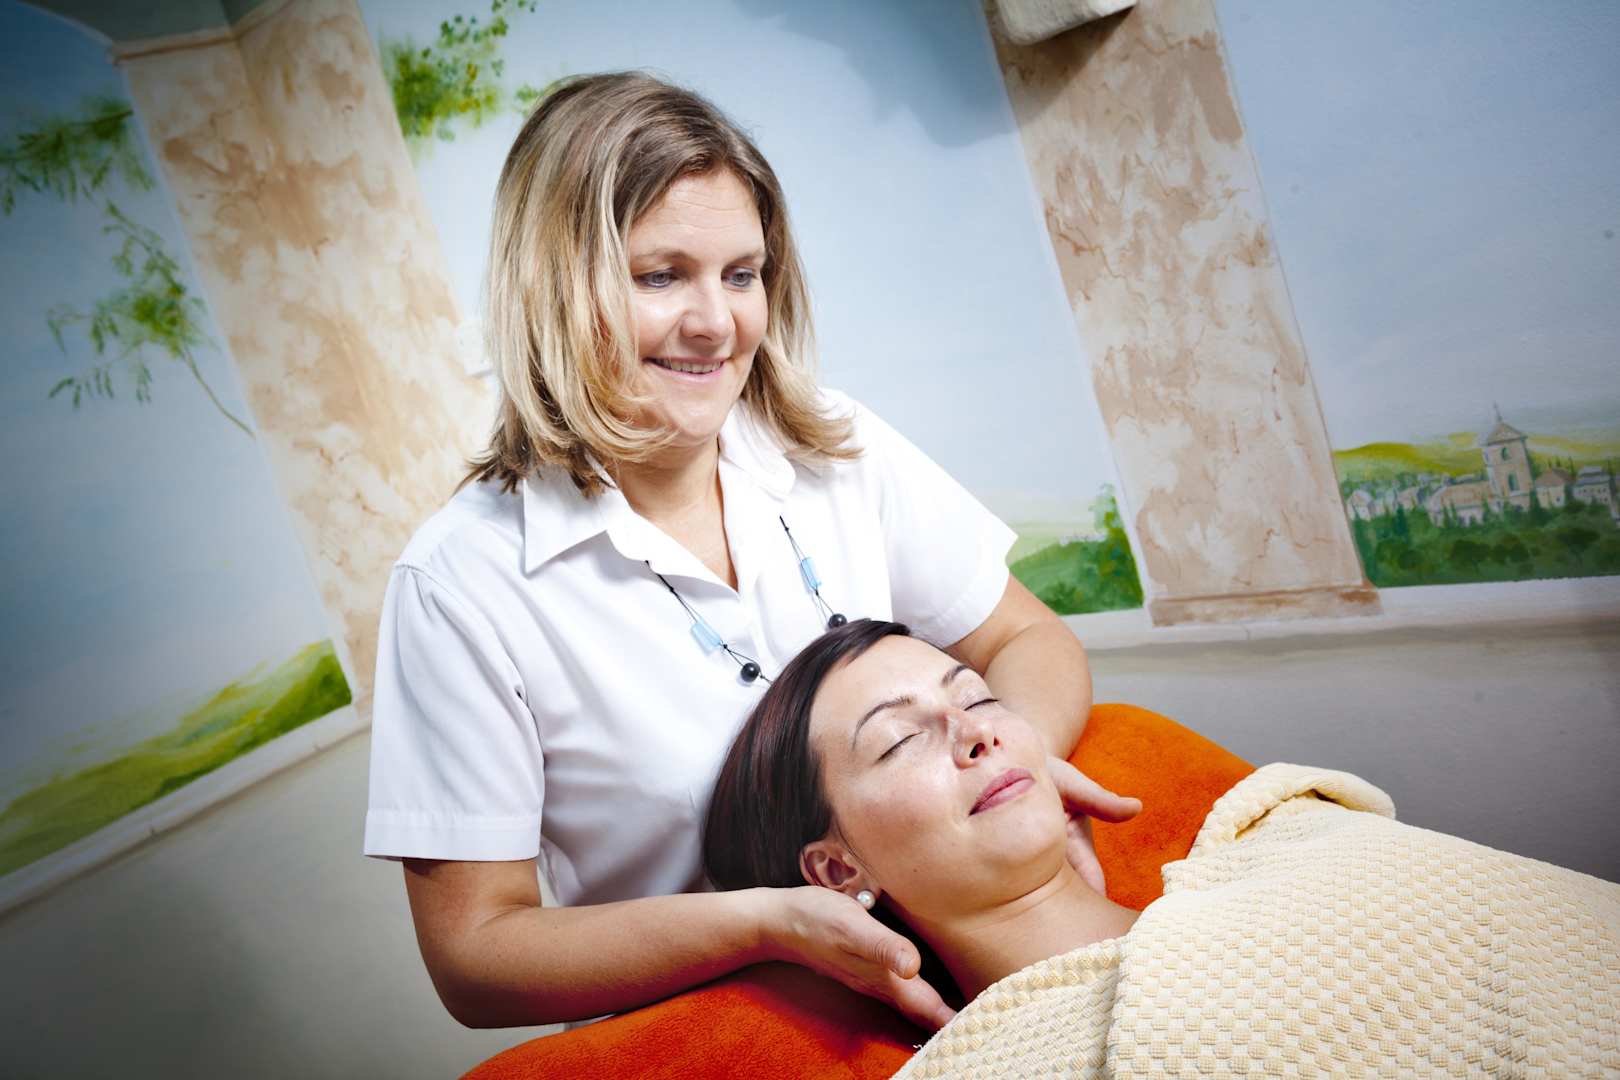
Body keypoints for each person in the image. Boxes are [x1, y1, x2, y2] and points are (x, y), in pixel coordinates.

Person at [361, 70, 1140, 1032]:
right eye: (660, 276)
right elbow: (475, 957)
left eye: (741, 274)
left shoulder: (834, 444)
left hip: (971, 972)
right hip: (739, 1031)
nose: (715, 323)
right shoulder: (461, 582)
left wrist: (1015, 772)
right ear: (553, 288)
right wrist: (767, 926)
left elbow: (1026, 639)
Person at [703, 618, 1620, 1075]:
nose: (975, 733)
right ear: (838, 871)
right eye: (902, 738)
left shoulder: (1285, 841)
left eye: (977, 695)